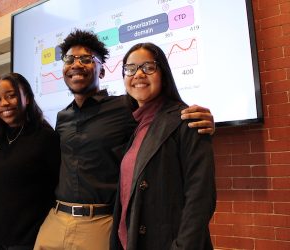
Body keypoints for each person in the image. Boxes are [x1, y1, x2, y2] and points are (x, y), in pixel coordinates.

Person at [34, 29, 215, 250]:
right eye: (69, 59)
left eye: (86, 59)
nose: (76, 64)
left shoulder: (125, 108)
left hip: (100, 222)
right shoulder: (61, 117)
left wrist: (204, 119)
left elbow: (163, 122)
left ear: (102, 71)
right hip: (58, 219)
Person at [110, 43, 216, 250]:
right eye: (130, 69)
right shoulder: (135, 125)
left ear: (163, 73)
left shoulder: (187, 119)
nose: (138, 74)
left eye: (148, 67)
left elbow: (201, 197)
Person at [0, 73, 60, 249]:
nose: (4, 104)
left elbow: (56, 189)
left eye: (11, 96)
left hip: (25, 240)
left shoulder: (45, 137)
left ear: (27, 98)